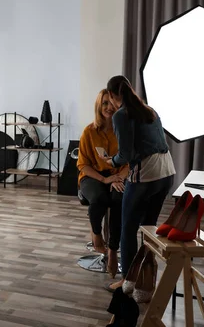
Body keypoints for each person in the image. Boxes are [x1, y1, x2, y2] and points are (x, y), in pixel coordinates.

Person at [101, 75, 175, 292]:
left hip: (146, 173)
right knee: (149, 229)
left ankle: (127, 281)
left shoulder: (121, 115)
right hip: (167, 171)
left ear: (114, 96)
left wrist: (111, 160)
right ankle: (146, 278)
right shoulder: (150, 110)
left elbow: (126, 154)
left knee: (128, 228)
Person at [77, 89, 128, 277]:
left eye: (111, 104)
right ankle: (97, 234)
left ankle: (113, 250)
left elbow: (129, 163)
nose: (108, 107)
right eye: (104, 103)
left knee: (118, 200)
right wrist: (105, 179)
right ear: (99, 106)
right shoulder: (89, 132)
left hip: (117, 175)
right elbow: (83, 165)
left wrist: (118, 178)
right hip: (93, 176)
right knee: (98, 198)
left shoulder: (123, 131)